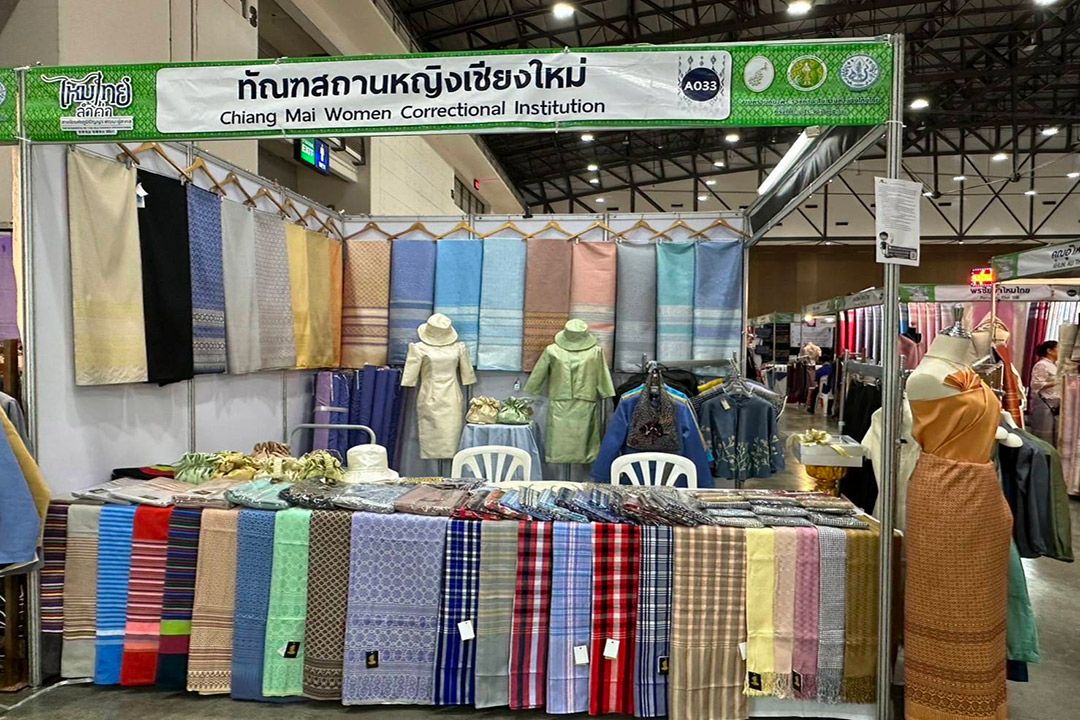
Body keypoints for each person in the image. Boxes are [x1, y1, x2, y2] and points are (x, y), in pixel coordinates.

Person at [1028, 340, 1059, 442]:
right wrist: (1057, 382)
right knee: (1044, 431)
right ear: (1049, 351)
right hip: (1044, 402)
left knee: (1054, 431)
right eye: (1059, 348)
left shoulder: (1056, 365)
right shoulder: (1042, 365)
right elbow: (1036, 384)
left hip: (1055, 402)